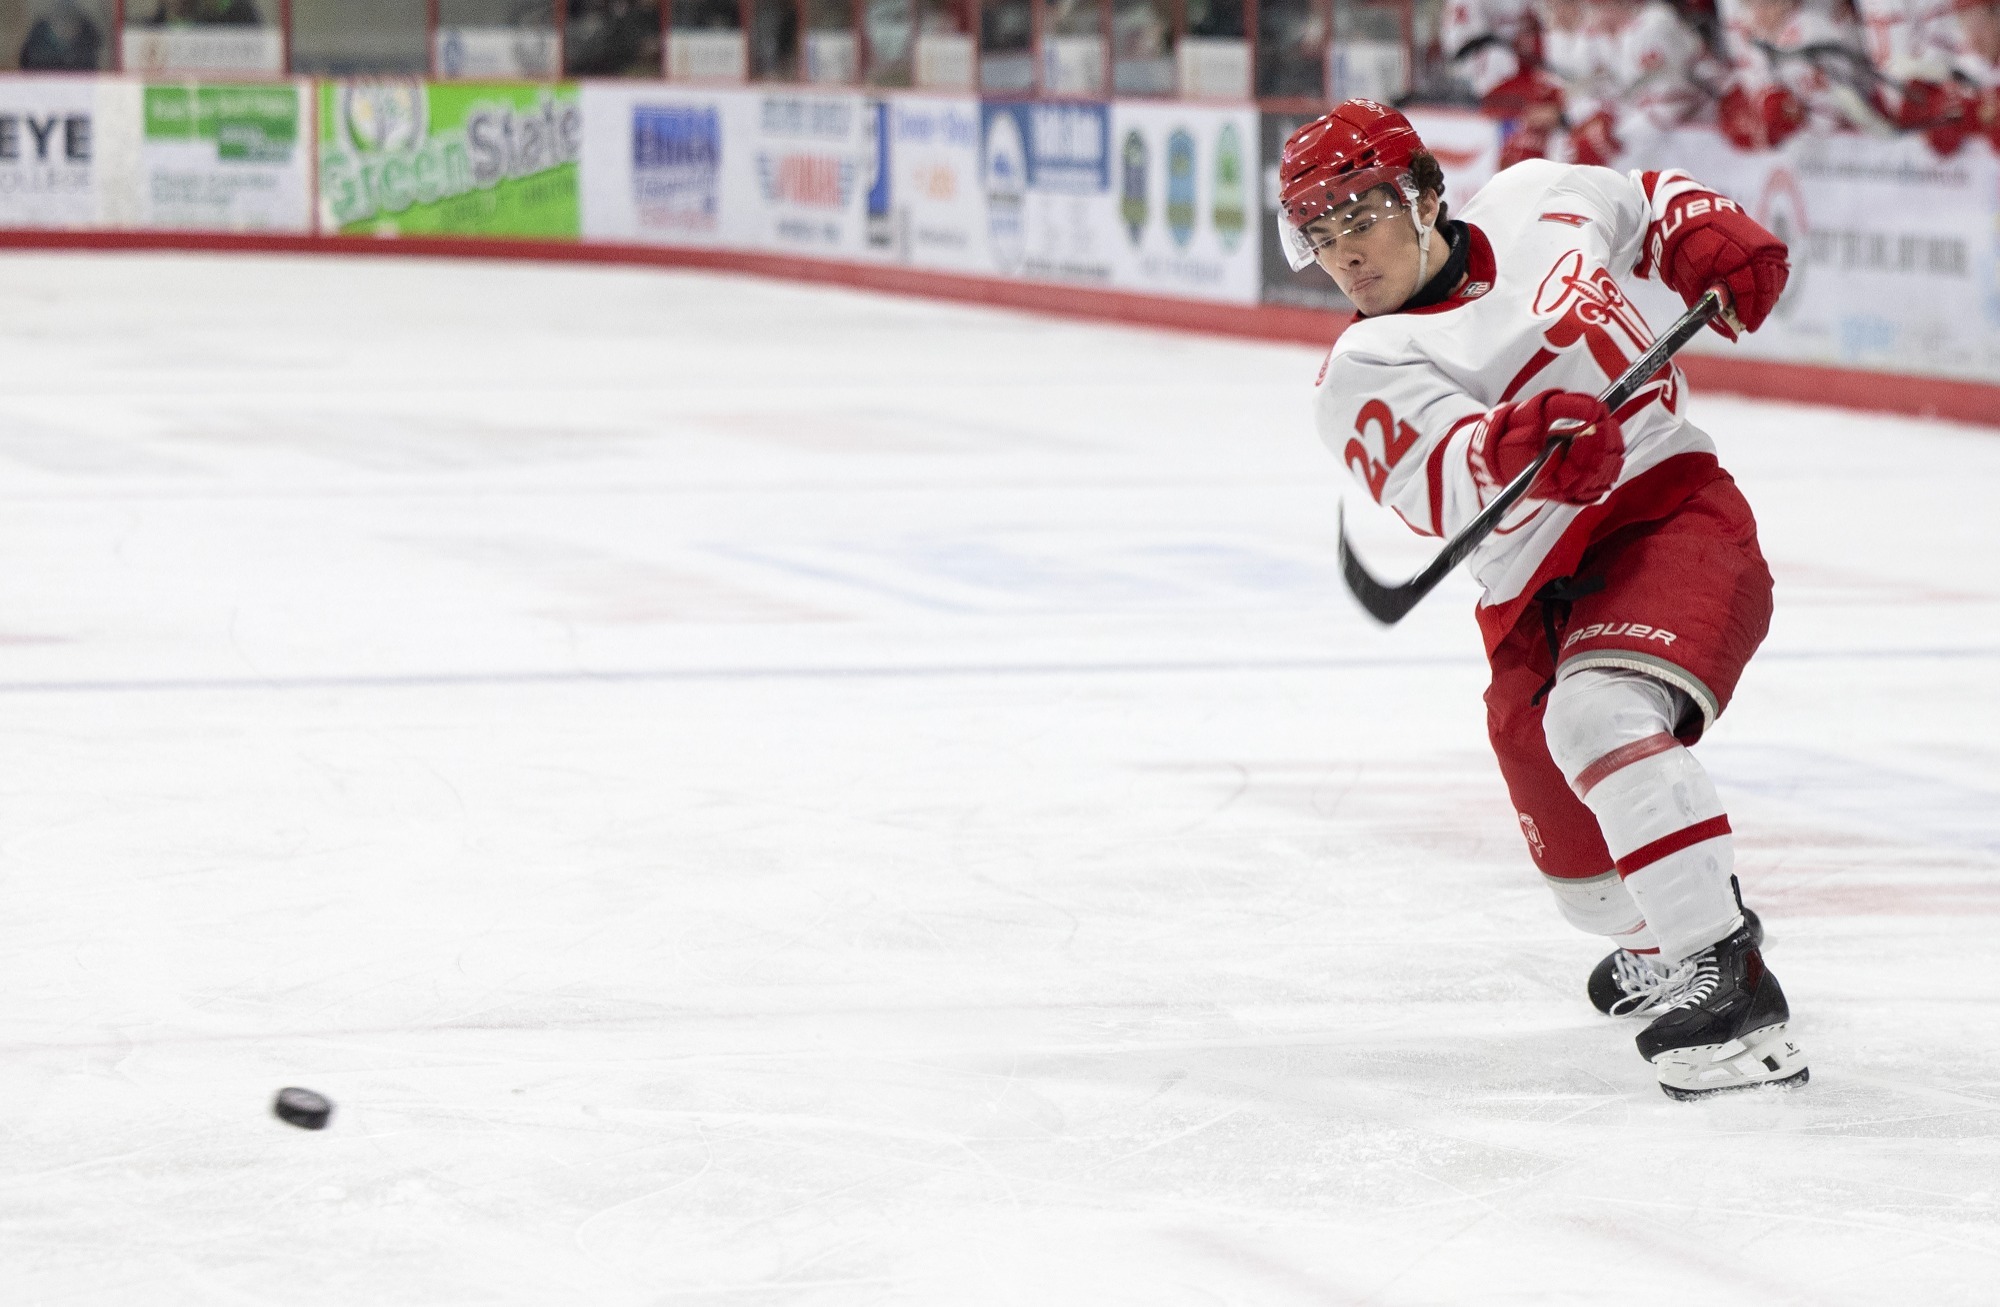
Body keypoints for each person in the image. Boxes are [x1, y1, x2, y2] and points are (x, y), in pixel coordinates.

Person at [1280, 99, 1807, 1098]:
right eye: (1320, 230)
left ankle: (1726, 972)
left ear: (1426, 193)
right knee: (1590, 889)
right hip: (1529, 594)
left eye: (1359, 214)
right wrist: (1509, 446)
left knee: (1596, 709)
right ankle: (1666, 928)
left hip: (1669, 513)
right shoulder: (1364, 367)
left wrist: (1702, 227)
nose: (1342, 252)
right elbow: (1433, 475)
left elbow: (1643, 201)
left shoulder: (1531, 198)